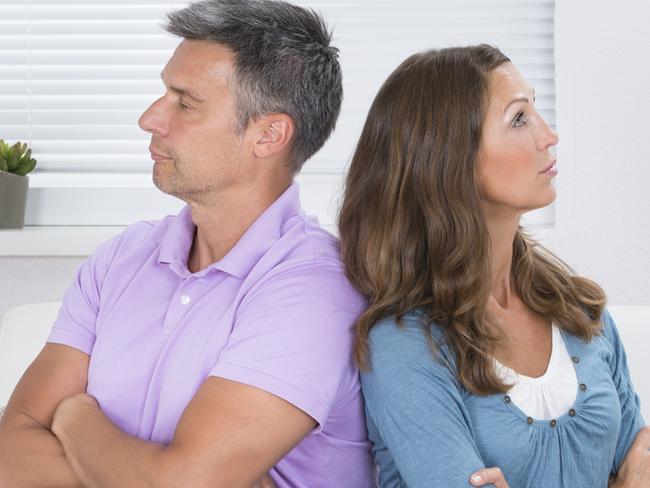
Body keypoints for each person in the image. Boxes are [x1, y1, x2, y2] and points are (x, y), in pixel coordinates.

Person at [0, 1, 375, 486]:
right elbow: (12, 445)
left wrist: (74, 419)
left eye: (185, 101)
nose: (150, 118)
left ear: (268, 135)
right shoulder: (121, 258)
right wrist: (153, 472)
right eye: (163, 93)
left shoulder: (315, 290)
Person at [338, 45, 648, 487]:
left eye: (535, 111)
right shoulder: (406, 345)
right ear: (449, 159)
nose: (548, 136)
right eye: (519, 119)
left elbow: (642, 458)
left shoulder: (578, 310)